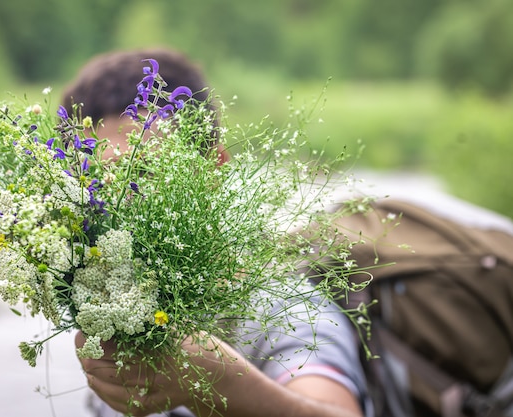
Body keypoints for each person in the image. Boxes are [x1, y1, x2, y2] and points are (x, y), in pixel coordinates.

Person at [61, 48, 372, 417]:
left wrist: (219, 382)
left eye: (143, 174)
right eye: (95, 184)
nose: (117, 204)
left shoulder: (280, 307)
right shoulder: (114, 306)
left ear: (214, 168)